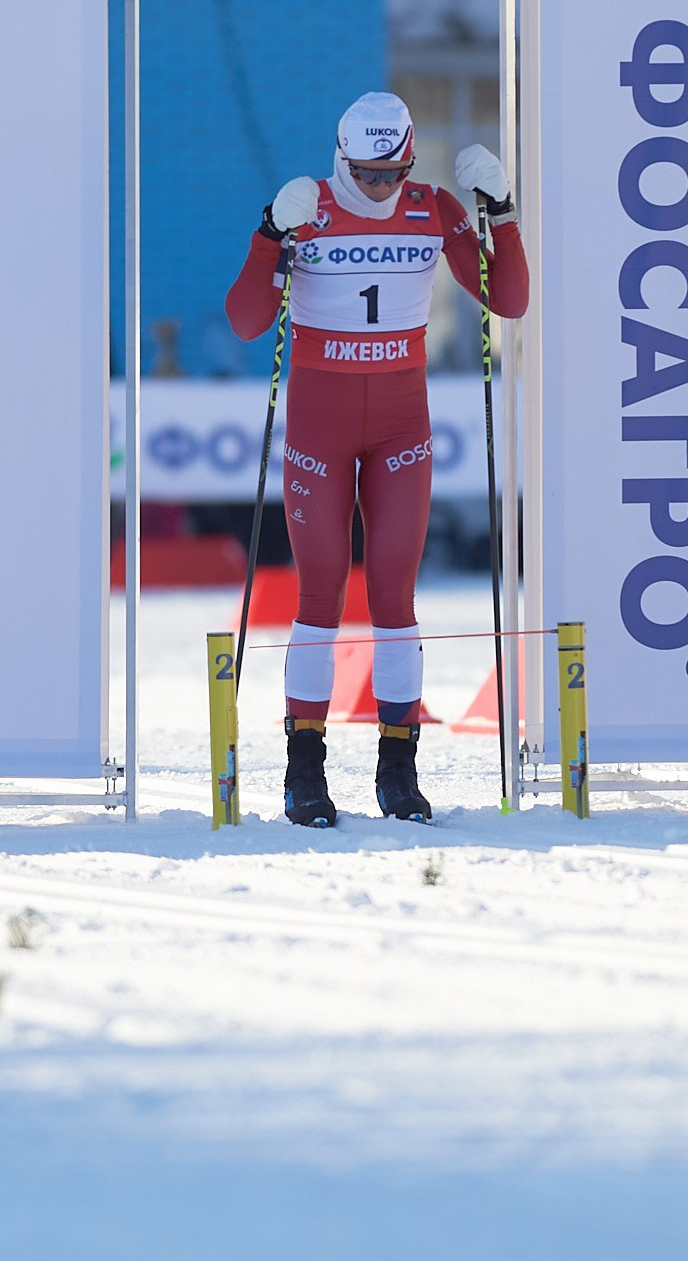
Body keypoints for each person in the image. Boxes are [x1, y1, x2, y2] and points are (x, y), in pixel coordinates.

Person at [225, 93, 528, 826]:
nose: (382, 189)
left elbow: (508, 297)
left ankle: (399, 766)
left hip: (401, 429)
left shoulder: (432, 208)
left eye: (394, 174)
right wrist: (269, 235)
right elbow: (245, 320)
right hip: (320, 431)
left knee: (394, 596)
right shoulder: (312, 206)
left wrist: (503, 212)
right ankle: (306, 768)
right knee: (320, 592)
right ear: (342, 159)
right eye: (368, 174)